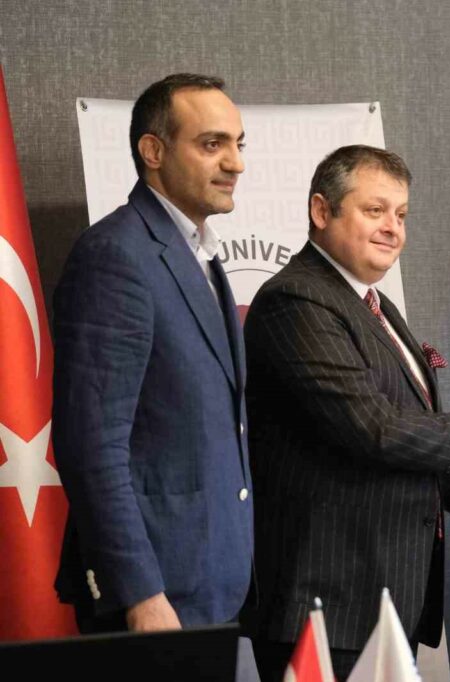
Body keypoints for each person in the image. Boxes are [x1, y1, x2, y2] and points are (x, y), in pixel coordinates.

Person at [242, 144, 450, 681]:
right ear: (321, 210)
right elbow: (372, 428)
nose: (393, 228)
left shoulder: (374, 304)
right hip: (326, 608)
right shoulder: (296, 301)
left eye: (401, 214)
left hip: (385, 600)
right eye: (375, 210)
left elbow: (397, 445)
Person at [52, 73, 253, 632]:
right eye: (212, 144)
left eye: (239, 144)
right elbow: (90, 445)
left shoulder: (199, 253)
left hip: (214, 585)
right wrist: (140, 592)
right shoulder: (115, 256)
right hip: (155, 600)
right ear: (154, 151)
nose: (236, 163)